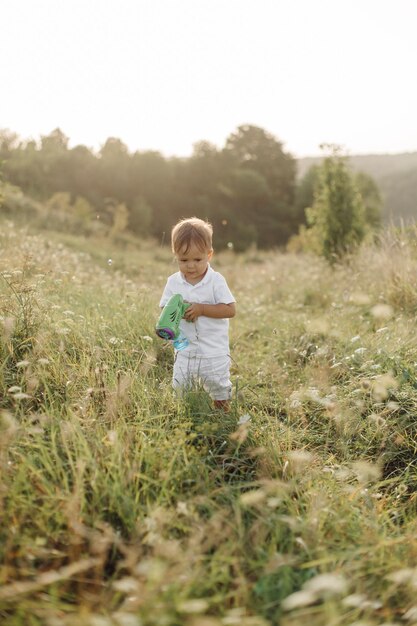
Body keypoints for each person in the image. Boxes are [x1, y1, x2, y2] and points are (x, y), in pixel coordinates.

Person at [159, 217, 236, 410]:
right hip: (184, 350)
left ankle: (222, 415)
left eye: (197, 259)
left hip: (213, 351)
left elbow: (230, 309)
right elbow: (164, 308)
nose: (191, 266)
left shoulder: (215, 281)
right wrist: (176, 311)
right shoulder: (173, 282)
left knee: (218, 386)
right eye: (184, 260)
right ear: (175, 255)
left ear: (209, 255)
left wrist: (201, 309)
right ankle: (188, 416)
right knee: (180, 387)